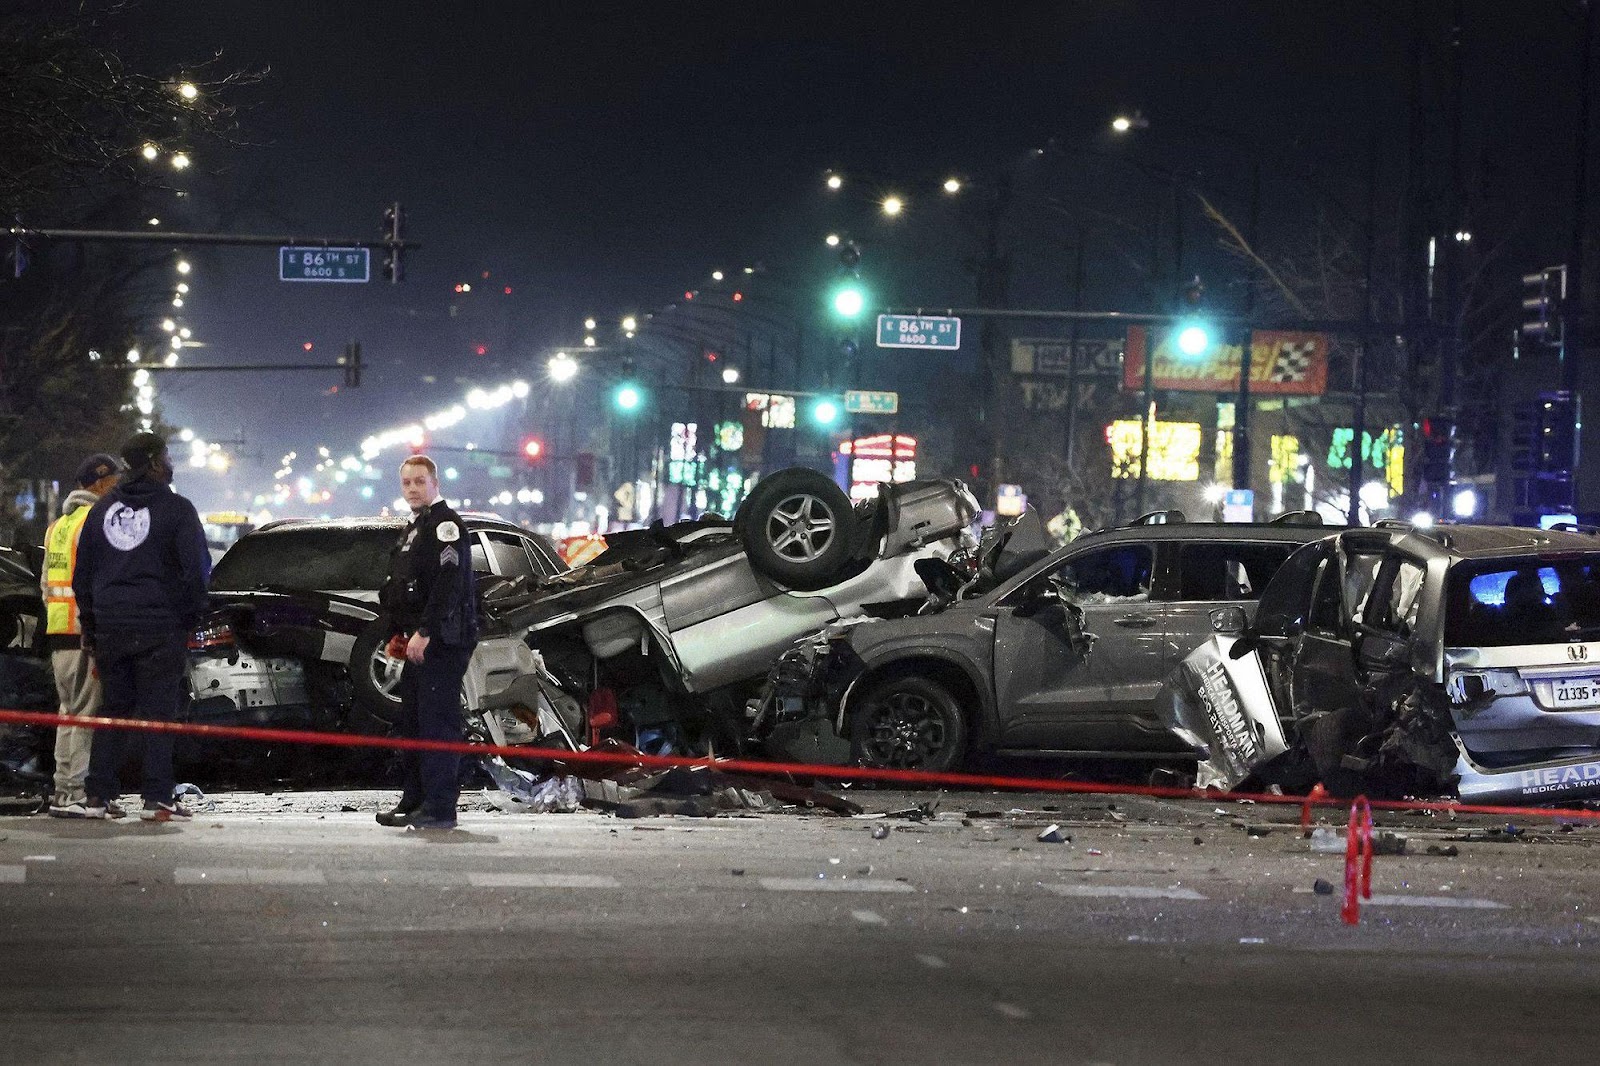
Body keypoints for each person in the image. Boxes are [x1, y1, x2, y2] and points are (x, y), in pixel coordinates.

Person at [74, 433, 210, 821]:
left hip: (112, 627)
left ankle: (98, 795)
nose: (170, 463)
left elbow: (84, 574)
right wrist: (189, 616)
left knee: (113, 709)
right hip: (160, 626)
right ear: (152, 462)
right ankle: (156, 798)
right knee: (158, 713)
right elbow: (197, 572)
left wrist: (91, 622)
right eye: (166, 456)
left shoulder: (102, 510)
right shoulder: (177, 509)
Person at [375, 455, 478, 830]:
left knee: (437, 723)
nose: (413, 489)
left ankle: (439, 807)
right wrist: (398, 634)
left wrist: (426, 631)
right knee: (415, 722)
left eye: (420, 482)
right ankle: (414, 801)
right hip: (420, 638)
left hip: (444, 639)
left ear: (435, 483)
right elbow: (404, 586)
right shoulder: (415, 527)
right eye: (407, 483)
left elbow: (447, 585)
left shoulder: (445, 525)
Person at [42, 453, 123, 818]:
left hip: (59, 630)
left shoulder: (58, 525)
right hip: (84, 631)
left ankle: (64, 792)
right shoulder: (95, 521)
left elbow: (46, 583)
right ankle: (78, 793)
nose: (118, 487)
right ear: (100, 483)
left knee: (68, 713)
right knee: (87, 716)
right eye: (114, 481)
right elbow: (101, 582)